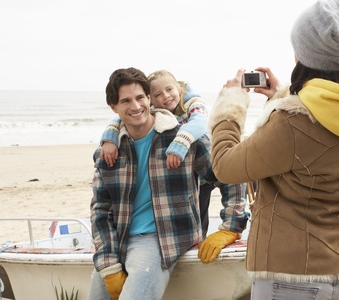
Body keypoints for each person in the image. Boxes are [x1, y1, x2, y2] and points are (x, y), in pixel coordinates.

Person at [207, 0, 339, 299]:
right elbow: (315, 148)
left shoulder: (292, 123)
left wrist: (230, 105)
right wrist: (281, 98)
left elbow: (225, 165)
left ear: (301, 52)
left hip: (290, 272)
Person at [88, 67, 249, 300]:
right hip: (118, 238)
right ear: (114, 107)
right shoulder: (108, 152)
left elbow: (229, 174)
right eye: (126, 101)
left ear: (149, 99)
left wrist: (231, 228)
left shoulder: (183, 138)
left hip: (161, 240)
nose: (135, 106)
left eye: (140, 98)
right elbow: (100, 210)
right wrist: (109, 264)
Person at [100, 70, 215, 237]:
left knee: (199, 213)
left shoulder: (192, 103)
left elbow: (199, 122)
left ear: (179, 88)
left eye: (170, 90)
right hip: (189, 176)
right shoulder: (151, 114)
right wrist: (110, 138)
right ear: (151, 99)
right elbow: (120, 117)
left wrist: (180, 142)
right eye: (158, 94)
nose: (166, 96)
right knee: (197, 210)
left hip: (202, 164)